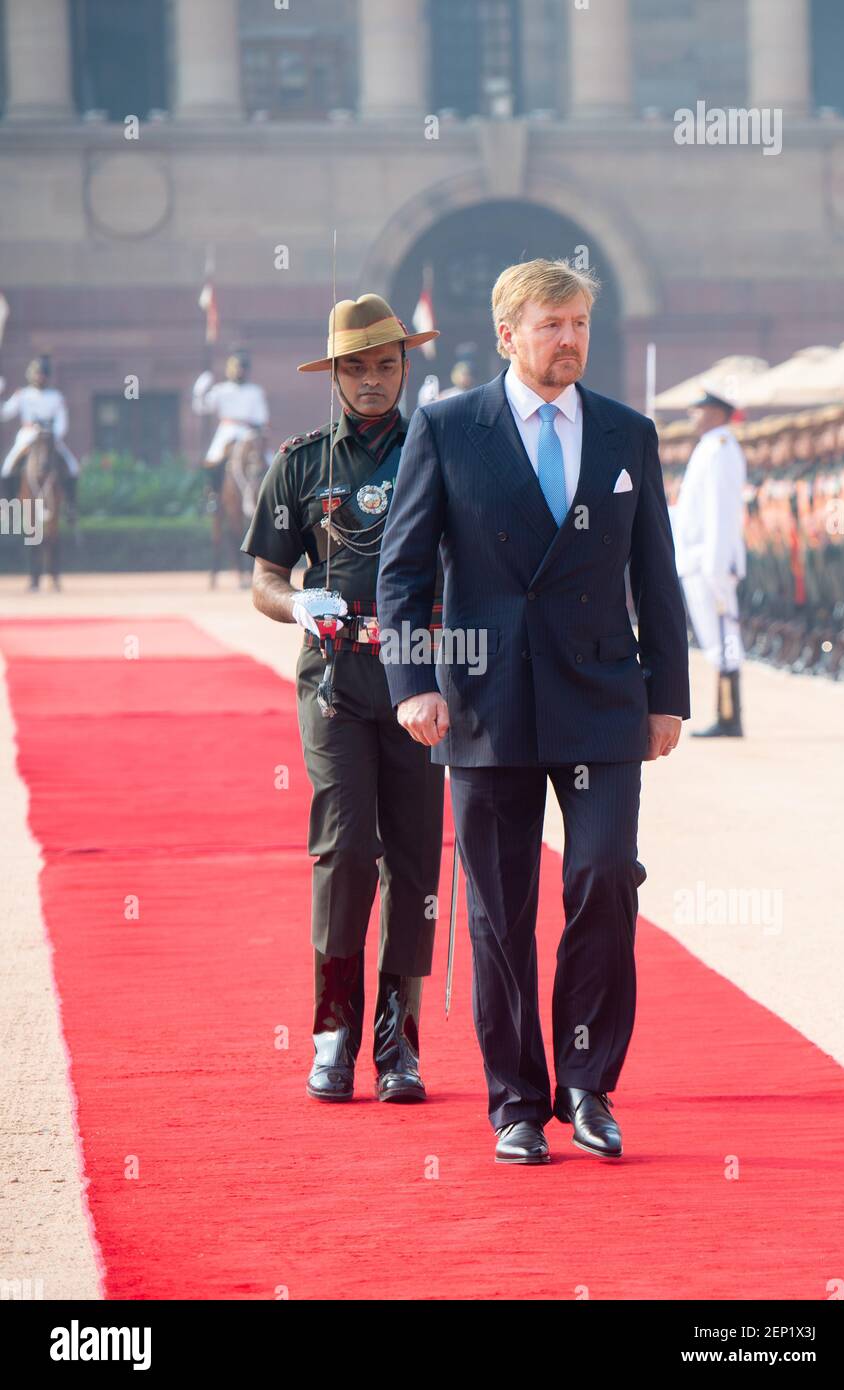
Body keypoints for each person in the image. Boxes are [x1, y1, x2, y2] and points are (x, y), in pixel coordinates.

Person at [377, 258, 690, 1165]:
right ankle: (515, 1101)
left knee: (601, 878)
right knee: (499, 910)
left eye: (581, 323)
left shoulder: (629, 434)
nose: (571, 340)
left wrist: (665, 697)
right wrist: (415, 684)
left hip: (602, 699)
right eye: (552, 324)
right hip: (485, 703)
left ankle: (587, 1087)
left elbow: (655, 575)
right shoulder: (445, 429)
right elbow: (401, 575)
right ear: (508, 333)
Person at [240, 294, 445, 1104]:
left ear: (406, 366)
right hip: (335, 680)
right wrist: (296, 604)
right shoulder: (299, 464)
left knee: (416, 861)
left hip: (420, 677)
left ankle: (400, 1044)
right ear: (333, 374)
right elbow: (262, 579)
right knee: (345, 850)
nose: (371, 380)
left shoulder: (441, 453)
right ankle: (334, 1031)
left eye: (385, 365)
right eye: (355, 367)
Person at [673, 390, 747, 736]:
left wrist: (717, 566)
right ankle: (725, 712)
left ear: (717, 412)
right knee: (715, 638)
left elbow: (720, 511)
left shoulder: (720, 449)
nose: (694, 415)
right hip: (699, 558)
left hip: (711, 561)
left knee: (724, 638)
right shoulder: (709, 447)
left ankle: (730, 716)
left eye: (699, 409)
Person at [0, 356, 79, 516]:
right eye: (37, 374)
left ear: (47, 376)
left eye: (42, 374)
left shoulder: (56, 396)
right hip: (28, 436)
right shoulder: (22, 395)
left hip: (50, 437)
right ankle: (7, 507)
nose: (39, 377)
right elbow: (5, 414)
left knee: (73, 467)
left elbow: (62, 422)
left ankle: (71, 506)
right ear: (31, 375)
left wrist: (52, 434)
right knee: (7, 467)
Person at [192, 348, 269, 511]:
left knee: (269, 461)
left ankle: (267, 497)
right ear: (230, 369)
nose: (239, 371)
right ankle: (213, 497)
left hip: (249, 433)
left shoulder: (255, 391)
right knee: (212, 462)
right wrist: (201, 387)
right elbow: (201, 407)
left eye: (242, 367)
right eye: (236, 367)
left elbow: (262, 418)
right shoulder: (221, 390)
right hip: (226, 432)